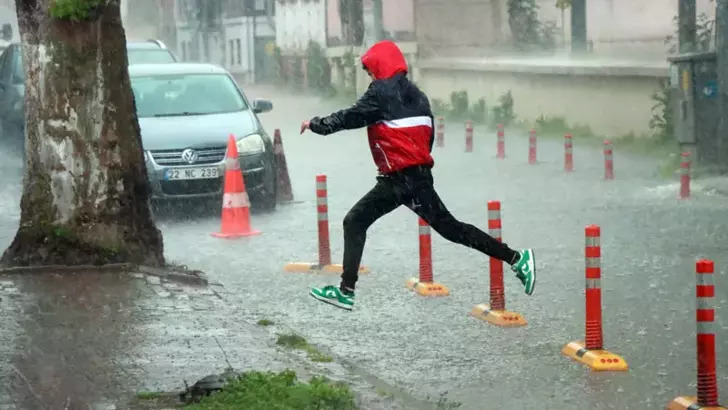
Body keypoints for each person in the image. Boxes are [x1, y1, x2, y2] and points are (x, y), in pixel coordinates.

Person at [300, 40, 536, 311]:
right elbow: (428, 136)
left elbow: (349, 117)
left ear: (380, 65)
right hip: (412, 176)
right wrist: (415, 166)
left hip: (402, 179)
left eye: (370, 70)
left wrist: (315, 124)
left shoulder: (381, 92)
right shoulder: (418, 96)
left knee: (357, 221)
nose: (370, 76)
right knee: (449, 229)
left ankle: (517, 258)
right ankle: (516, 259)